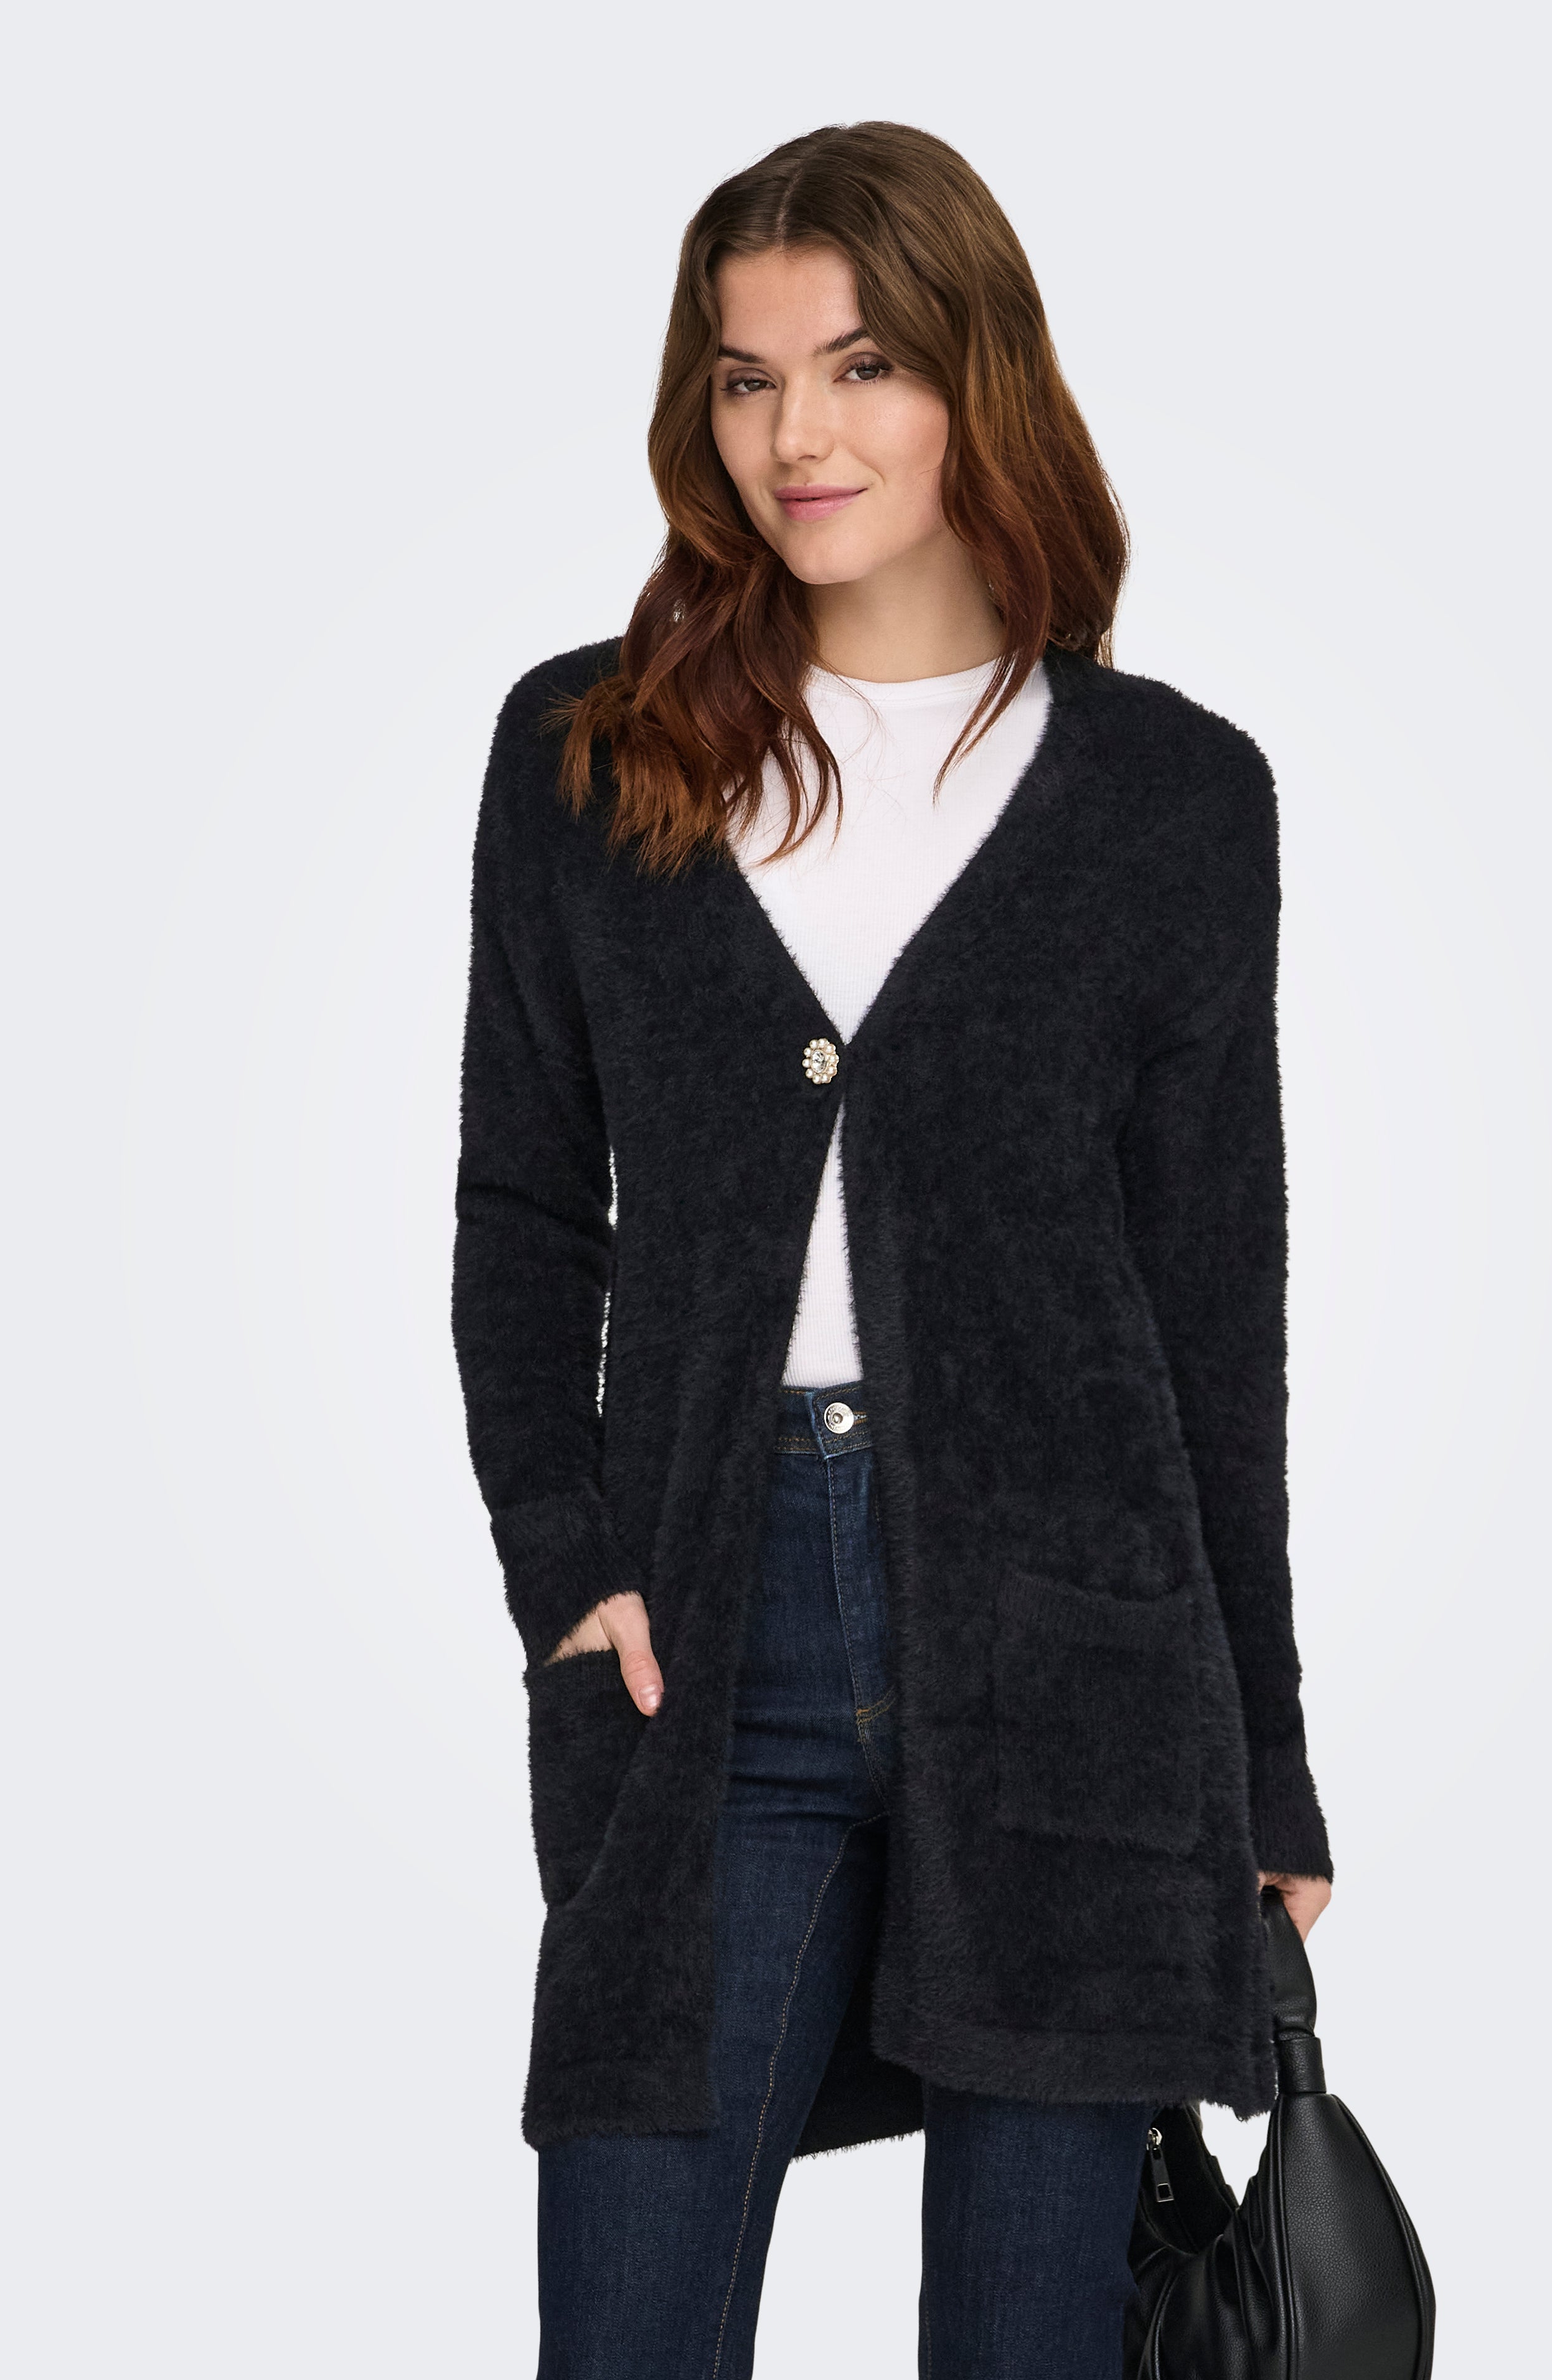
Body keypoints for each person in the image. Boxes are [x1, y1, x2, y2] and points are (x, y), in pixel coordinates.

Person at [452, 119, 1333, 2380]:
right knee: (627, 2322)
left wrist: (1263, 1767)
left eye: (859, 368)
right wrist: (565, 1569)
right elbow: (526, 1208)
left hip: (1077, 1659)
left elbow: (1212, 1302)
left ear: (975, 379)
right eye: (746, 380)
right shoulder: (589, 751)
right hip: (706, 1638)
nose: (797, 438)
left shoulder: (1170, 796)